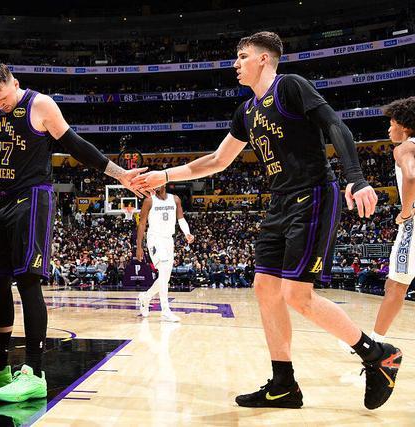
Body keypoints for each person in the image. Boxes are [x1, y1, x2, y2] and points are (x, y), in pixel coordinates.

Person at [131, 31, 402, 410]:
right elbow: (217, 160)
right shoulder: (245, 111)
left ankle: (377, 354)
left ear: (263, 58)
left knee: (297, 295)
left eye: (242, 56)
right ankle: (283, 384)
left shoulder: (290, 86)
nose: (235, 63)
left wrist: (356, 177)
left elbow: (335, 125)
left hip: (313, 194)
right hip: (280, 202)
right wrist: (165, 175)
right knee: (265, 288)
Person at [0, 63, 146, 403]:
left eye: (5, 99)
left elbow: (76, 144)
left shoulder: (40, 105)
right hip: (1, 199)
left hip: (33, 198)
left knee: (27, 281)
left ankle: (34, 373)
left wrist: (119, 174)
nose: (2, 105)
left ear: (15, 84)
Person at [369, 97, 415, 342]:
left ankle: (374, 344)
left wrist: (406, 212)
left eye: (392, 123)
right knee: (393, 284)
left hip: (413, 224)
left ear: (404, 126)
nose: (388, 129)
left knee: (396, 285)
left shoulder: (405, 148)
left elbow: (411, 176)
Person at [136, 185, 194, 321]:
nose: (155, 185)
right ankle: (165, 310)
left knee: (164, 278)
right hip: (155, 239)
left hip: (168, 240)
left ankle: (145, 297)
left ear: (164, 183)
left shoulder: (175, 199)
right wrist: (139, 246)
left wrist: (187, 233)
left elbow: (181, 219)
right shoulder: (149, 201)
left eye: (157, 182)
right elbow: (142, 224)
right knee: (162, 271)